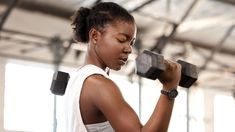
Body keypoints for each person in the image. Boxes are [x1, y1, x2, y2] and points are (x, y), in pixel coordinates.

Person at [65, 2, 181, 132]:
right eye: (121, 39)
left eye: (131, 43)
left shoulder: (76, 78)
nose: (129, 49)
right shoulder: (99, 85)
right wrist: (169, 88)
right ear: (95, 36)